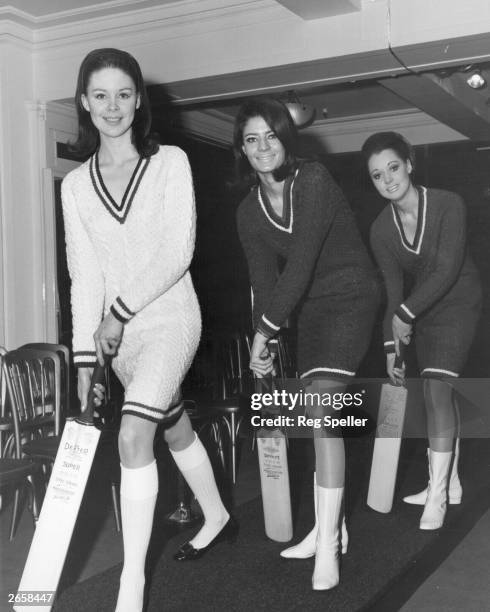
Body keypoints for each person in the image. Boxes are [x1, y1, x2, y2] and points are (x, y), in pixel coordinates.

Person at [62, 48, 236, 612]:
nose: (113, 107)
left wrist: (118, 313)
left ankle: (130, 586)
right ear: (85, 103)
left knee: (134, 436)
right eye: (101, 95)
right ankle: (217, 512)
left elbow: (175, 251)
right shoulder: (75, 187)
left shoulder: (171, 163)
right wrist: (87, 361)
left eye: (124, 94)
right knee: (169, 420)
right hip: (118, 340)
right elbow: (84, 277)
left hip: (169, 318)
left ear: (140, 100)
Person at [234, 98, 379, 590]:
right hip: (311, 310)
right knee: (314, 418)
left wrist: (264, 331)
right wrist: (264, 338)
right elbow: (263, 280)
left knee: (321, 414)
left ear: (286, 139)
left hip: (353, 295)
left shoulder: (312, 179)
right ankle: (327, 529)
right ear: (242, 149)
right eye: (251, 139)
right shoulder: (247, 212)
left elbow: (298, 264)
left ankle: (328, 549)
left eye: (271, 136)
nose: (262, 147)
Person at [363, 131, 481, 530]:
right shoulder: (381, 229)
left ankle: (437, 494)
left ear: (410, 164)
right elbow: (392, 292)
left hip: (460, 301)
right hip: (422, 311)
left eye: (393, 168)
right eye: (377, 176)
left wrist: (406, 315)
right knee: (434, 398)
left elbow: (447, 269)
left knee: (436, 389)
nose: (388, 180)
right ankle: (451, 483)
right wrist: (390, 349)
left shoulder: (449, 204)